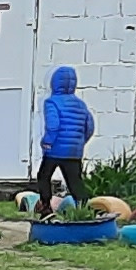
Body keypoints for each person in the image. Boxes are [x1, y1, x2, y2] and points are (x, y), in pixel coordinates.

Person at [33, 67, 93, 208]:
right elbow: (89, 125)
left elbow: (53, 125)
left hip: (55, 149)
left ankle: (46, 205)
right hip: (75, 151)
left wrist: (47, 141)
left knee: (44, 176)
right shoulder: (81, 104)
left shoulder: (52, 102)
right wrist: (80, 142)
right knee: (75, 181)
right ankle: (84, 209)